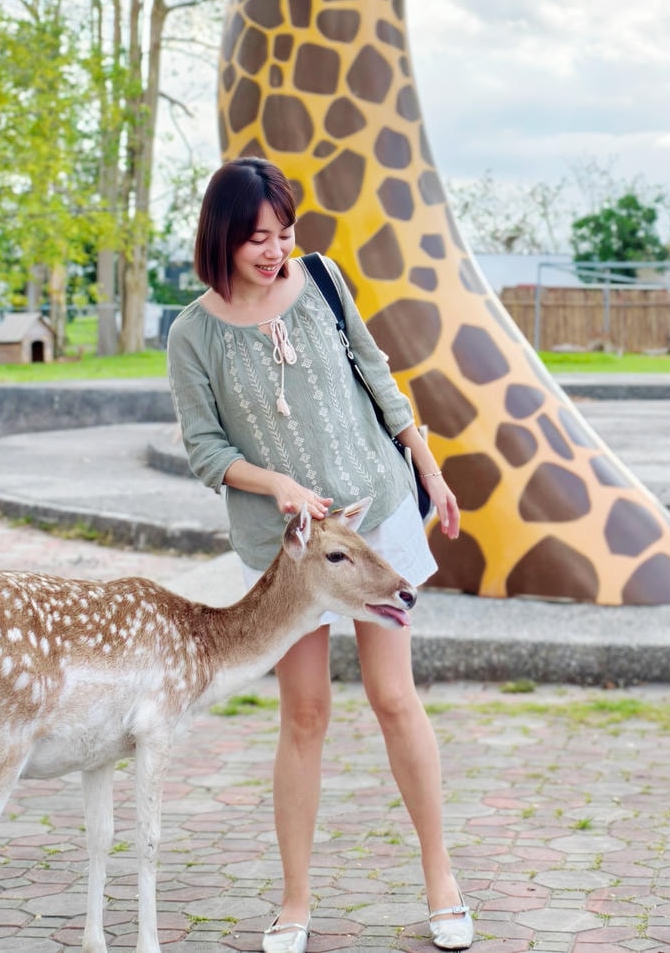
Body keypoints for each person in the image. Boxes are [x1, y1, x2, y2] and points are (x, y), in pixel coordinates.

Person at [166, 156, 474, 953]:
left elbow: (378, 378)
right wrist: (279, 486)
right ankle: (295, 902)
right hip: (289, 552)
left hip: (376, 527)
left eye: (285, 233)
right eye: (257, 239)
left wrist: (431, 475)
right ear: (223, 238)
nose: (275, 251)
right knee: (304, 714)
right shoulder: (192, 332)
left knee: (393, 696)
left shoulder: (325, 282)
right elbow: (205, 450)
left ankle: (442, 879)